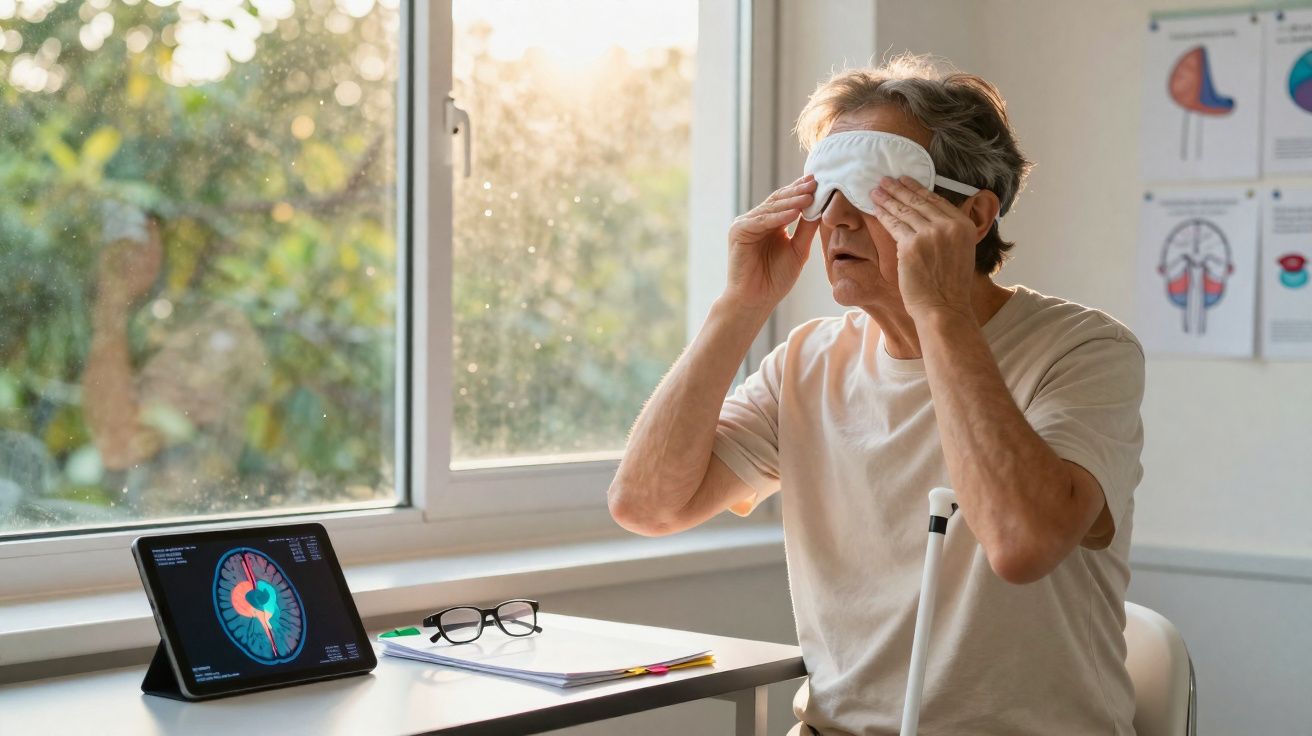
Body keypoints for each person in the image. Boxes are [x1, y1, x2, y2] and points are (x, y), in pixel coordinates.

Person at [608, 55, 1145, 735]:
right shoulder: (806, 362)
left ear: (974, 215)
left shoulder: (1085, 351)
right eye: (824, 189)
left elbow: (1021, 544)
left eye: (872, 188)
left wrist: (941, 313)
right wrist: (740, 304)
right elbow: (647, 506)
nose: (837, 218)